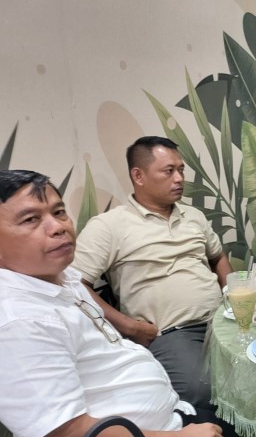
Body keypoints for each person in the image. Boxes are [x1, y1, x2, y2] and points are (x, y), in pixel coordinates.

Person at [0, 170, 256, 437]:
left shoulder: (59, 277)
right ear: (138, 175)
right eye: (30, 219)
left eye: (59, 212)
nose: (57, 226)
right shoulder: (18, 322)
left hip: (163, 421)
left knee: (255, 430)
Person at [73, 136, 233, 418]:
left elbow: (218, 256)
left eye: (181, 170)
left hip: (223, 320)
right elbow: (74, 284)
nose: (179, 178)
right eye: (168, 171)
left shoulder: (193, 216)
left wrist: (232, 295)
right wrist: (130, 327)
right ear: (139, 176)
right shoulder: (109, 226)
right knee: (200, 390)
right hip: (173, 332)